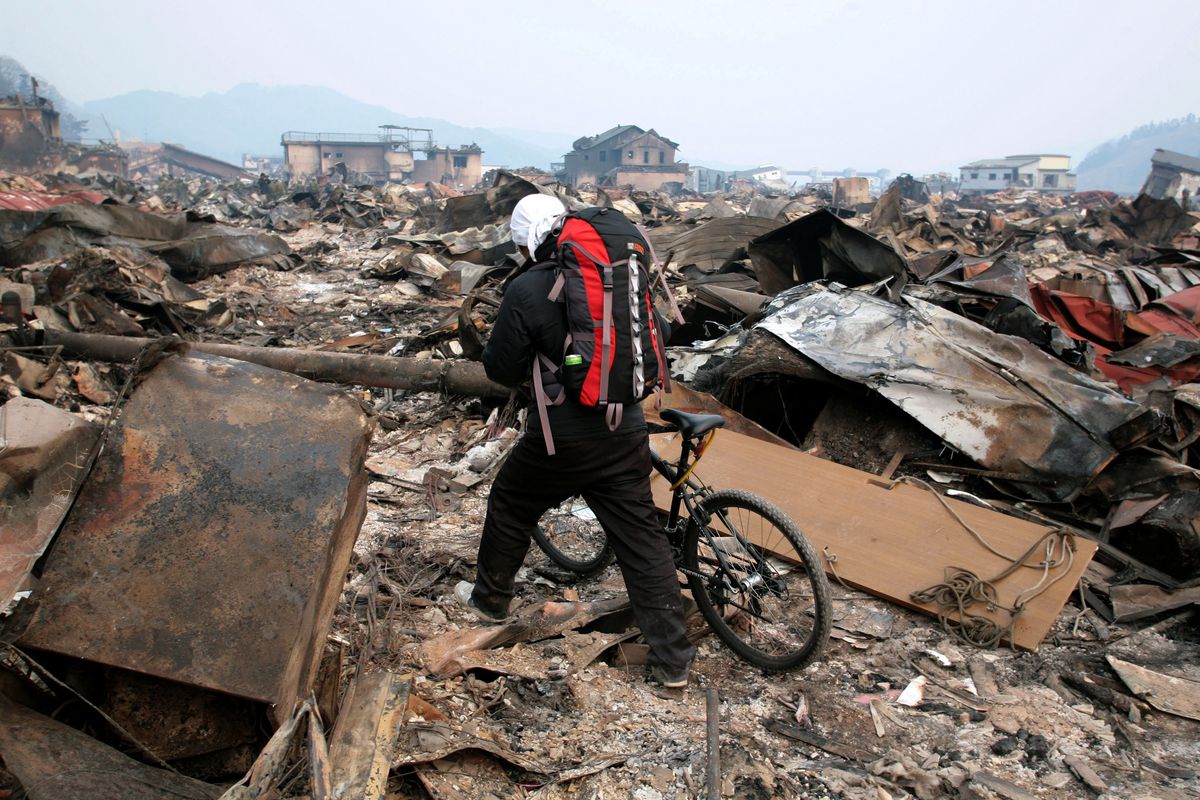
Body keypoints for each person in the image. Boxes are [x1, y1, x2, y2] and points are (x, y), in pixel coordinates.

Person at [455, 193, 695, 688]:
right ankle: (674, 661)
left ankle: (490, 601)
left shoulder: (528, 289)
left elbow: (500, 368)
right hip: (626, 426)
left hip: (561, 436)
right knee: (642, 542)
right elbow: (660, 334)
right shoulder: (619, 278)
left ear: (526, 241)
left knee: (512, 500)